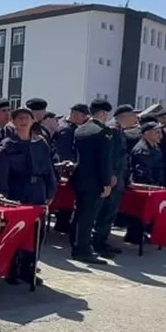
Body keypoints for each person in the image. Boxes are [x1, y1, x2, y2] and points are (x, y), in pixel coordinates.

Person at [0, 107, 58, 284]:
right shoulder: (7, 145)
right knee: (16, 231)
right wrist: (1, 192)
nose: (23, 121)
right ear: (13, 122)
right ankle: (12, 269)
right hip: (16, 190)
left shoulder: (40, 143)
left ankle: (29, 269)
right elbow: (0, 173)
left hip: (38, 191)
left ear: (33, 120)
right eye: (19, 118)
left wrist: (51, 191)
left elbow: (49, 169)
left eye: (27, 118)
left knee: (37, 232)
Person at [70, 102, 113, 265]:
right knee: (89, 217)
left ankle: (75, 246)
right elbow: (104, 161)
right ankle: (83, 250)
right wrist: (106, 183)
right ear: (103, 113)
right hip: (95, 181)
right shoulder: (103, 132)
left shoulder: (80, 129)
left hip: (80, 178)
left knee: (79, 214)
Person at [91, 101, 132, 258]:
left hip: (119, 176)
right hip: (113, 176)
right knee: (106, 211)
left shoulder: (119, 130)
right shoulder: (112, 130)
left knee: (111, 211)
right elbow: (110, 156)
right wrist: (112, 175)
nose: (135, 119)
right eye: (132, 116)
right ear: (123, 116)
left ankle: (103, 240)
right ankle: (98, 242)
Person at [125, 121, 165, 244]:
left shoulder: (155, 147)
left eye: (160, 132)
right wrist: (152, 185)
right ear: (147, 134)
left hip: (153, 186)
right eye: (157, 132)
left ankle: (144, 232)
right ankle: (134, 236)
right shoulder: (142, 149)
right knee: (138, 213)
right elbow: (141, 173)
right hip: (142, 187)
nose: (160, 135)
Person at [53, 103, 89, 234]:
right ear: (76, 114)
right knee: (66, 197)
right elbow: (63, 151)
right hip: (66, 169)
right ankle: (62, 222)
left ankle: (63, 221)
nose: (84, 118)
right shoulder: (67, 129)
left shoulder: (71, 128)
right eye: (83, 115)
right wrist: (68, 167)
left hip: (69, 167)